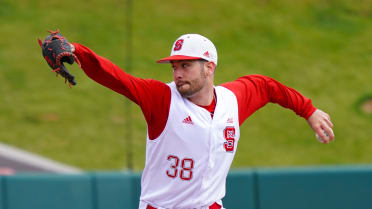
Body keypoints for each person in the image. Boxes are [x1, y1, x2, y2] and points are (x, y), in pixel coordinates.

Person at [68, 34, 334, 209]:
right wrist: (76, 51)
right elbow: (116, 78)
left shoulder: (233, 100)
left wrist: (308, 111)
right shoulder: (162, 98)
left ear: (209, 67)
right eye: (174, 66)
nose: (177, 73)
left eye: (186, 66)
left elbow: (267, 87)